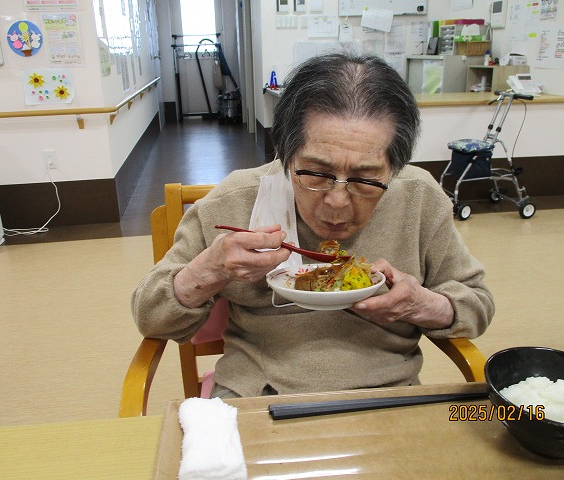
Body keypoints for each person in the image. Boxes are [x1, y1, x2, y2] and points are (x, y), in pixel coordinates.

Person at [131, 52, 494, 398]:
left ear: (395, 169)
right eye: (316, 173)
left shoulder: (418, 198)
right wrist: (211, 269)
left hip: (389, 394)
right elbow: (150, 315)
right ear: (285, 156)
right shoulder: (235, 201)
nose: (337, 201)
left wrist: (420, 304)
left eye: (366, 179)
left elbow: (476, 303)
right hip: (258, 392)